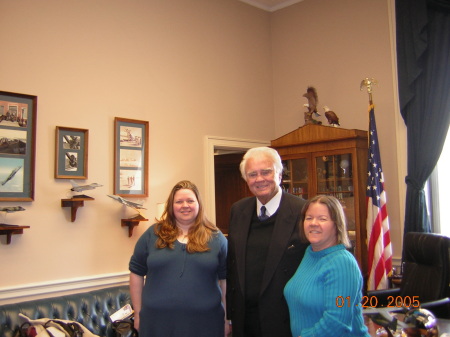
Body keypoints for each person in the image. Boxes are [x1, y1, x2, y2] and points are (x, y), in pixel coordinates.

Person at [129, 180, 230, 337]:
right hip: (156, 323)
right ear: (171, 206)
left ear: (199, 204)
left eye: (190, 200)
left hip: (206, 324)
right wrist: (138, 313)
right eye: (179, 201)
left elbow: (226, 281)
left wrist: (226, 320)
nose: (185, 205)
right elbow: (136, 272)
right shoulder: (152, 234)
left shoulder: (217, 238)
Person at [226, 146, 308, 337]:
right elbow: (232, 267)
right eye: (252, 174)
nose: (260, 179)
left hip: (285, 319)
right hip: (245, 321)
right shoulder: (238, 211)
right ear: (246, 180)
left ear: (279, 174)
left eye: (266, 172)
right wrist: (229, 315)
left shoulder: (302, 211)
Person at [284, 195, 370, 337]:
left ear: (336, 224)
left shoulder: (344, 263)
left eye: (322, 219)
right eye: (309, 218)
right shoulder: (309, 254)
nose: (313, 223)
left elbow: (337, 323)